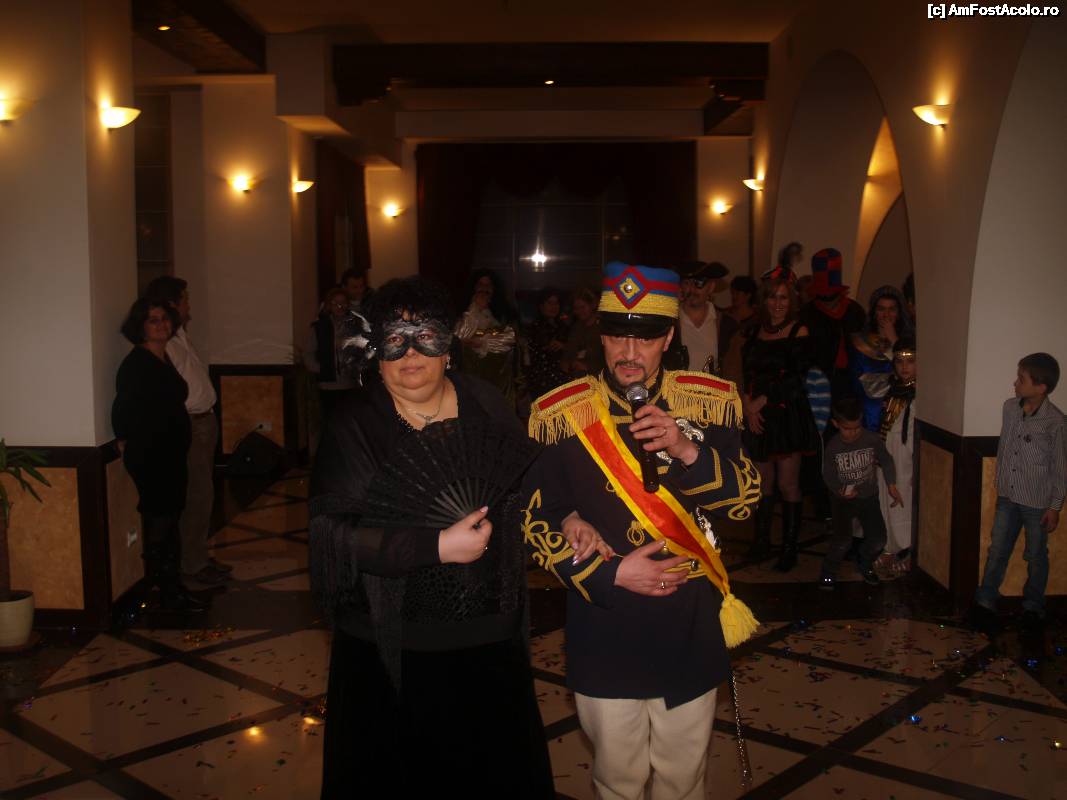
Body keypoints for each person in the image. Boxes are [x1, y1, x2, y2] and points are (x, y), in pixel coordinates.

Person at [522, 261, 761, 800]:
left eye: (646, 338)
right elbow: (535, 517)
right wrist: (603, 568)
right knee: (617, 778)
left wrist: (685, 450)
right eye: (617, 336)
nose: (630, 353)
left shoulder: (707, 401)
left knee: (683, 778)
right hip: (605, 623)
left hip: (687, 620)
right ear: (600, 336)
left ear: (668, 338)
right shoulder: (562, 414)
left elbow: (744, 503)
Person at [308, 277, 553, 798]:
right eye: (395, 339)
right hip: (392, 654)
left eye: (426, 336)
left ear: (448, 348)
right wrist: (436, 547)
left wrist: (567, 518)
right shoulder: (355, 425)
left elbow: (527, 487)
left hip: (488, 643)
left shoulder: (486, 403)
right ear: (376, 352)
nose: (411, 353)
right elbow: (334, 537)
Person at [112, 298, 208, 612]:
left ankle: (172, 586)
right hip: (152, 455)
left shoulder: (163, 357)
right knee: (160, 520)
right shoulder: (137, 363)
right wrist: (124, 440)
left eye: (165, 318)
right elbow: (123, 408)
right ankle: (163, 592)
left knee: (171, 518)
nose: (161, 324)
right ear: (140, 326)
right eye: (153, 320)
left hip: (171, 454)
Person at [144, 276, 231, 587]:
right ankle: (192, 564)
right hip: (191, 424)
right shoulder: (163, 344)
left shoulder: (179, 335)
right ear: (172, 303)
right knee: (197, 496)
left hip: (204, 421)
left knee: (204, 494)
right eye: (185, 299)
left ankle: (199, 556)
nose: (188, 305)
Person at [970, 353, 1065, 633]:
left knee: (1035, 555)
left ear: (1041, 387)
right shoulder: (1010, 408)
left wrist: (1055, 507)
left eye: (1021, 379)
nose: (1015, 383)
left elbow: (1061, 468)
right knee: (998, 549)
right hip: (1008, 498)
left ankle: (1033, 608)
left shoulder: (1056, 422)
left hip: (1037, 503)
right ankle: (985, 601)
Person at [741, 276, 820, 570]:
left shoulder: (800, 331)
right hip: (757, 416)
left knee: (788, 484)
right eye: (772, 297)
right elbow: (747, 375)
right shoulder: (754, 332)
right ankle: (761, 541)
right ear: (763, 300)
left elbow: (798, 379)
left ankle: (790, 547)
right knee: (763, 484)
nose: (777, 303)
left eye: (783, 297)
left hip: (787, 415)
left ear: (792, 301)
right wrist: (748, 406)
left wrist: (762, 400)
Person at [819, 397, 902, 589]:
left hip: (868, 497)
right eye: (847, 429)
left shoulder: (871, 439)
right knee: (842, 541)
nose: (853, 433)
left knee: (878, 539)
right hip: (842, 500)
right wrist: (839, 489)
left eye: (857, 427)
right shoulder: (833, 446)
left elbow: (886, 460)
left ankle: (865, 562)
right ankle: (828, 571)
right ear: (836, 424)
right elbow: (827, 474)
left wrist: (891, 484)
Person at [873, 338, 917, 577]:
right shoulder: (892, 390)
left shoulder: (921, 393)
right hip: (888, 450)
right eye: (899, 361)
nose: (904, 366)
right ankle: (890, 546)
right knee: (885, 496)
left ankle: (909, 549)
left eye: (910, 361)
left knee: (904, 499)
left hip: (906, 455)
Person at [798, 248, 866, 401]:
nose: (827, 297)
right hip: (817, 388)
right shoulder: (806, 315)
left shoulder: (854, 311)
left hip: (852, 385)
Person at [851, 286, 915, 432]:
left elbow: (911, 374)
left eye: (892, 309)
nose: (886, 314)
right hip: (868, 411)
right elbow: (854, 381)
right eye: (881, 309)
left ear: (899, 313)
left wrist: (893, 339)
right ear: (874, 312)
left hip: (899, 408)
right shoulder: (861, 342)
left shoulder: (911, 341)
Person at [454, 269, 518, 402]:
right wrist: (475, 308)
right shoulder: (463, 313)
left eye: (488, 285)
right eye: (480, 285)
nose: (484, 289)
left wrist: (482, 342)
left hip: (498, 380)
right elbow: (459, 337)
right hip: (469, 379)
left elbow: (510, 340)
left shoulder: (504, 315)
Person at [304, 287, 360, 422]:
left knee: (350, 421)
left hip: (351, 383)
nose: (340, 306)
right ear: (329, 305)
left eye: (343, 303)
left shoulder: (355, 325)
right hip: (328, 385)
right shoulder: (319, 326)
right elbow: (308, 354)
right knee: (330, 420)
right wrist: (322, 369)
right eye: (335, 303)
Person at [677, 261, 728, 374]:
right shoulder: (669, 323)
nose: (691, 290)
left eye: (698, 283)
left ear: (711, 287)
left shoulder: (727, 325)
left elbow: (733, 369)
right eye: (687, 283)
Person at [523, 286, 570, 398]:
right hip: (543, 382)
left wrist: (565, 346)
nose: (554, 306)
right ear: (541, 306)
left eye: (556, 303)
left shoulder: (564, 327)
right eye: (550, 303)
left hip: (563, 379)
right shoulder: (535, 327)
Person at [718, 275, 759, 386]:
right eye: (732, 293)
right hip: (727, 368)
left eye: (737, 293)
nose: (734, 296)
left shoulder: (757, 320)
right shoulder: (725, 317)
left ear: (748, 295)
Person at [561, 286, 603, 377]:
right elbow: (569, 351)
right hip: (575, 377)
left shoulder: (602, 327)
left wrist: (588, 367)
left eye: (582, 307)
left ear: (592, 305)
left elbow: (609, 359)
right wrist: (567, 362)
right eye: (576, 308)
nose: (579, 311)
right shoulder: (576, 327)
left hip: (597, 378)